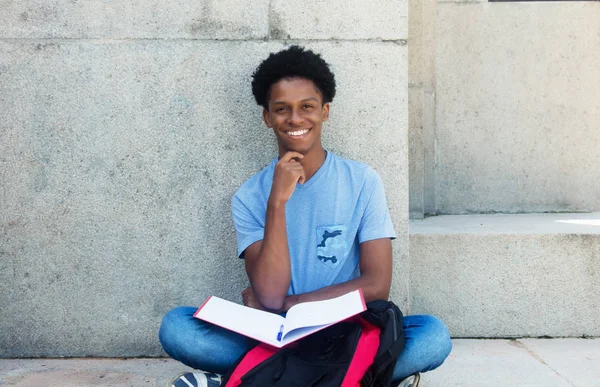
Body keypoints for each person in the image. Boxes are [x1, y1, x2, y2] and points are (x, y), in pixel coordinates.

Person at [159, 45, 452, 387]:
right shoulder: (249, 196)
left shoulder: (362, 181)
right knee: (179, 328)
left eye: (307, 107)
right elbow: (267, 295)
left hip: (347, 331)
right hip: (274, 335)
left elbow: (376, 286)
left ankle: (253, 378)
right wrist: (277, 203)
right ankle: (360, 377)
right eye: (282, 109)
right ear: (267, 117)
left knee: (432, 335)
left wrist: (292, 305)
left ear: (325, 112)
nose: (295, 119)